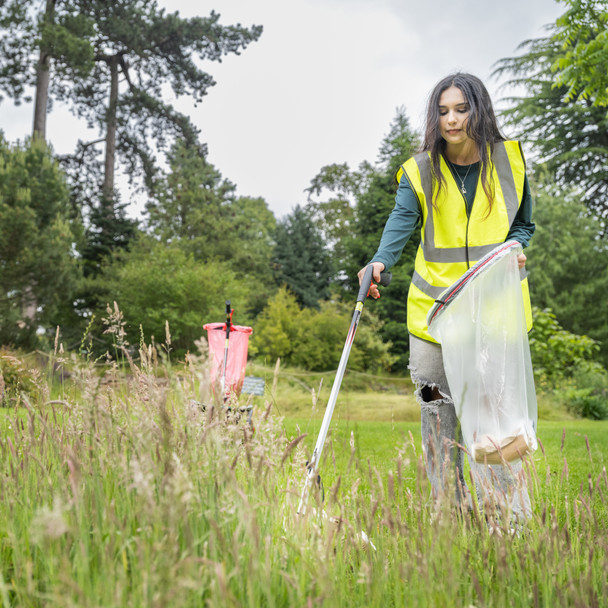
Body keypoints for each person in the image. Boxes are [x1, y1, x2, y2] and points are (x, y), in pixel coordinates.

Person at [358, 72, 535, 522]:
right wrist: (379, 261)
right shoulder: (419, 170)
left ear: (479, 110)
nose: (451, 120)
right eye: (442, 111)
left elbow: (523, 224)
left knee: (494, 418)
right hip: (434, 315)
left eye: (460, 109)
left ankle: (506, 519)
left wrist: (516, 250)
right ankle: (447, 517)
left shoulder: (510, 160)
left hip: (493, 315)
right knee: (439, 415)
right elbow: (400, 223)